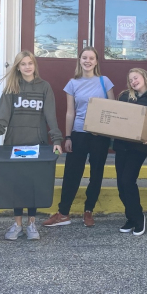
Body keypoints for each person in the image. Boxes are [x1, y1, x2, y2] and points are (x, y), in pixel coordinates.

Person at [0, 50, 62, 241]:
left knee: (33, 185)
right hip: (15, 144)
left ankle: (32, 224)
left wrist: (56, 139)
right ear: (18, 67)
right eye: (23, 64)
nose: (27, 67)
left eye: (30, 63)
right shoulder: (11, 87)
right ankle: (17, 224)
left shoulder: (44, 87)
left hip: (36, 144)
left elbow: (50, 116)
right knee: (17, 185)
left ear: (34, 65)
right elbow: (2, 116)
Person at [42, 47, 114, 228]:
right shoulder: (72, 83)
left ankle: (88, 211)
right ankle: (63, 213)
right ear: (79, 60)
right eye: (84, 58)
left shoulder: (105, 82)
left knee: (96, 173)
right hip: (79, 133)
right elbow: (70, 112)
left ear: (96, 61)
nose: (88, 61)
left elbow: (113, 110)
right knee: (72, 174)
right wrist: (68, 137)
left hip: (100, 135)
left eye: (91, 58)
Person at [115, 68, 147, 236]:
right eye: (130, 80)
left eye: (135, 78)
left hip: (139, 146)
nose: (133, 82)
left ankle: (138, 218)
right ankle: (130, 217)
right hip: (122, 145)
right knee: (120, 185)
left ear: (145, 77)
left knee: (128, 180)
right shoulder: (125, 96)